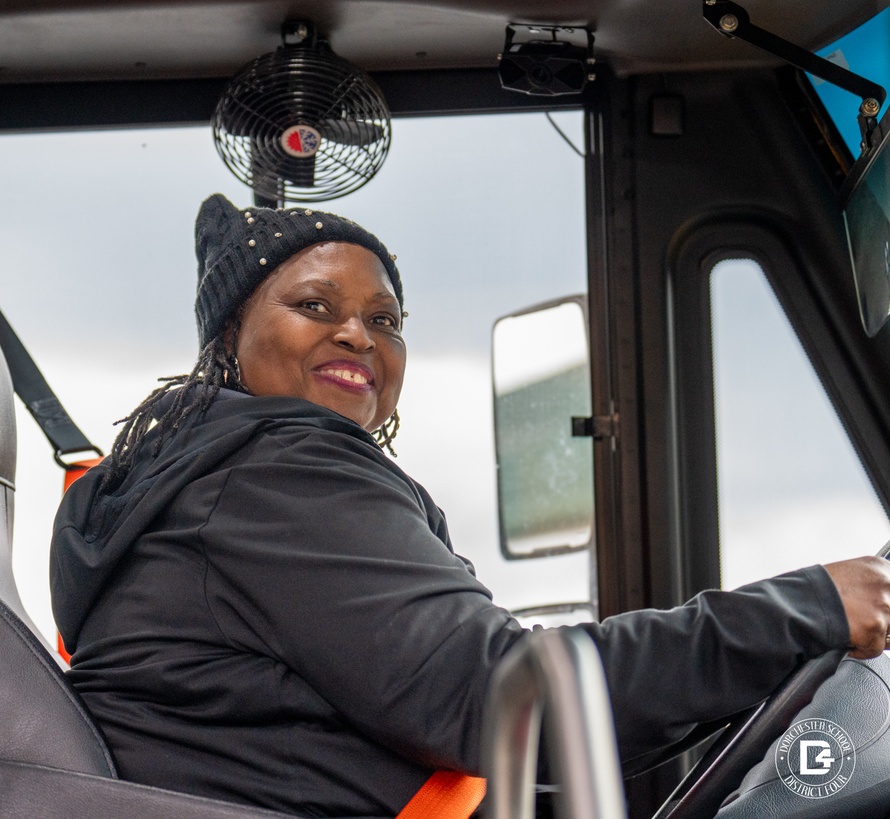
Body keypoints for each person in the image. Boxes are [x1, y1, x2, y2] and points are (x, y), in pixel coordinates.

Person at [51, 193, 890, 819]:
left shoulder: (208, 476)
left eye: (384, 319)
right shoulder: (278, 473)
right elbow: (500, 697)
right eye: (315, 306)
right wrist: (803, 608)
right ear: (230, 338)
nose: (358, 335)